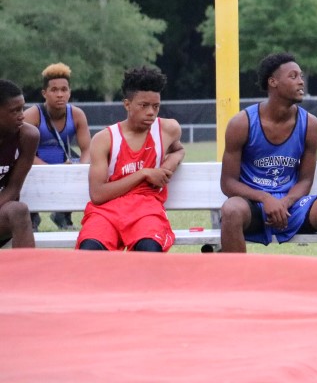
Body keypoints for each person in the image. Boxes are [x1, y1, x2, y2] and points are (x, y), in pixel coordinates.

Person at [219, 52, 317, 259]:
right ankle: (239, 278)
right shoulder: (242, 123)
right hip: (253, 205)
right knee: (231, 210)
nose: (301, 82)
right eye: (293, 76)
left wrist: (285, 202)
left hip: (291, 206)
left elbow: (305, 180)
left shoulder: (311, 125)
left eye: (301, 76)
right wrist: (265, 198)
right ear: (273, 82)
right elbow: (228, 183)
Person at [76, 67, 184, 252]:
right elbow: (98, 194)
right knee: (89, 251)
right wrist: (143, 173)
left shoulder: (168, 130)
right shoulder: (105, 139)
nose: (151, 112)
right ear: (127, 104)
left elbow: (179, 149)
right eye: (144, 105)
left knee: (149, 249)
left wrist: (170, 163)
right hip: (107, 211)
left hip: (146, 210)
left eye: (156, 106)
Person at [23, 62, 92, 231]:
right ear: (44, 93)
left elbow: (87, 150)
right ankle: (32, 217)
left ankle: (63, 215)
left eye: (64, 89)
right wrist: (50, 169)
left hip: (65, 164)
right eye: (54, 90)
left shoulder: (77, 114)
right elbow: (23, 153)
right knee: (23, 170)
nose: (60, 94)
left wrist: (79, 169)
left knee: (90, 169)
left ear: (69, 92)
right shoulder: (32, 115)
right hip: (34, 165)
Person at [0, 80, 39, 249]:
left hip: (2, 213)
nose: (22, 115)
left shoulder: (28, 136)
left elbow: (14, 188)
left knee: (19, 210)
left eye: (22, 108)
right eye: (14, 110)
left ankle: (28, 266)